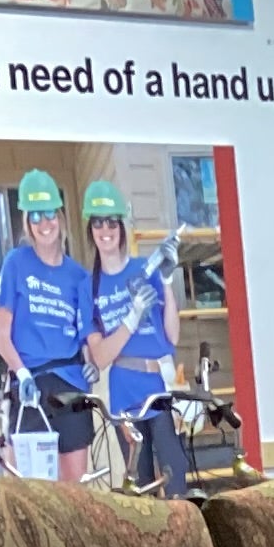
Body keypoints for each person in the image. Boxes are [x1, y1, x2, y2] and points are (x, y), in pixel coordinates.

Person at [84, 181, 191, 499]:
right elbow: (100, 357)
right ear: (91, 229)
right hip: (123, 389)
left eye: (111, 222)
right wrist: (132, 318)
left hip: (159, 383)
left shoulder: (145, 269)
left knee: (176, 479)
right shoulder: (87, 288)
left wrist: (167, 281)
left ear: (121, 226)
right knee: (141, 485)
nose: (105, 230)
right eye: (98, 222)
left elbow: (171, 335)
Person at [0, 169, 96, 483]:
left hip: (71, 387)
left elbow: (86, 337)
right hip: (30, 386)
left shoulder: (79, 277)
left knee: (72, 492)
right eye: (35, 216)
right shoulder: (16, 263)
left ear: (60, 217)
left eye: (49, 214)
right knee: (27, 491)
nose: (44, 223)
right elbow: (1, 335)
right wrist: (21, 372)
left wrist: (93, 364)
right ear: (27, 222)